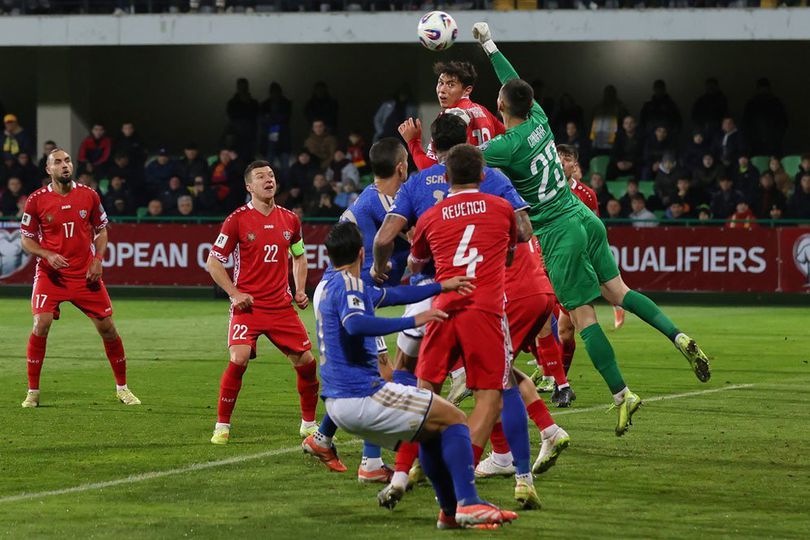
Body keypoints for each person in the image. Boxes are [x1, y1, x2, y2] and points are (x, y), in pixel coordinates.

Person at [473, 22, 711, 435]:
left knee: (583, 318)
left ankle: (623, 395)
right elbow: (513, 83)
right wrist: (489, 45)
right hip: (584, 217)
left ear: (501, 106)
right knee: (620, 291)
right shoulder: (541, 120)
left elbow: (463, 160)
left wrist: (433, 148)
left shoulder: (503, 147)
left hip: (558, 231)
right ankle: (680, 338)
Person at [373, 115, 547, 508]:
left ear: (442, 165)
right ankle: (510, 475)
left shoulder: (424, 198)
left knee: (422, 388)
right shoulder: (499, 196)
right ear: (482, 169)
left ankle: (400, 472)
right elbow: (519, 237)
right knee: (499, 389)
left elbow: (410, 257)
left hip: (437, 303)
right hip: (484, 306)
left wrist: (380, 270)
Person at [309, 221, 517, 530]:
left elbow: (392, 296)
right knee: (456, 419)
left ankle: (449, 513)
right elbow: (355, 324)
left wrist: (439, 286)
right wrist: (416, 319)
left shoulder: (333, 285)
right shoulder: (349, 285)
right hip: (362, 395)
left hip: (340, 403)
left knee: (430, 432)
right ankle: (469, 502)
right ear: (363, 253)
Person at [308, 138, 416, 483]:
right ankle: (371, 464)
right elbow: (419, 238)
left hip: (345, 290)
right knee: (380, 376)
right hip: (346, 292)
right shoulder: (384, 202)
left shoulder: (376, 197)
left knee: (361, 374)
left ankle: (322, 438)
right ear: (402, 166)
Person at [206, 160, 319, 444]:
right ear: (249, 187)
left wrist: (300, 289)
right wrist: (234, 293)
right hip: (248, 307)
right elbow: (213, 262)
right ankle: (222, 425)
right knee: (239, 357)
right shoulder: (237, 220)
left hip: (281, 306)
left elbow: (299, 255)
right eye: (260, 176)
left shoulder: (290, 219)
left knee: (306, 362)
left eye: (271, 175)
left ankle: (308, 423)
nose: (268, 180)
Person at [18, 148, 140, 408]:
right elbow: (26, 240)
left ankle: (123, 388)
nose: (65, 166)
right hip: (51, 275)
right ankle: (33, 392)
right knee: (41, 323)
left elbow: (102, 230)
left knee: (107, 328)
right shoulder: (36, 200)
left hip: (85, 274)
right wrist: (47, 254)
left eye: (67, 161)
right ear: (48, 169)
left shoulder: (89, 195)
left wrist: (98, 260)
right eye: (58, 162)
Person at [405, 60, 505, 170]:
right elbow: (507, 135)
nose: (442, 90)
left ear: (467, 90)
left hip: (464, 181)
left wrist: (413, 142)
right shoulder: (483, 110)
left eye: (450, 85)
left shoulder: (450, 117)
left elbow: (430, 168)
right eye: (440, 83)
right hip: (489, 180)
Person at [743, 78, 788, 157]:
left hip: (772, 141)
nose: (763, 91)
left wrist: (778, 135)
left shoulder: (775, 103)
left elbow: (783, 122)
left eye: (765, 88)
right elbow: (746, 123)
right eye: (762, 88)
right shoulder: (752, 104)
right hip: (757, 141)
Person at [259, 82, 292, 172]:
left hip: (283, 139)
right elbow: (263, 120)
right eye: (273, 92)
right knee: (269, 167)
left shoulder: (286, 104)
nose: (275, 94)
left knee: (285, 167)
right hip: (270, 140)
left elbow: (284, 118)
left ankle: (284, 185)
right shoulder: (265, 105)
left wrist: (270, 118)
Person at [225, 78, 259, 161]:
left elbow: (256, 116)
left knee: (249, 160)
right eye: (241, 87)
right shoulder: (232, 103)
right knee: (236, 160)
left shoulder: (253, 103)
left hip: (250, 135)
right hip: (237, 136)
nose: (243, 89)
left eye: (244, 87)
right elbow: (231, 117)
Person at [588, 85, 627, 154]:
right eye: (607, 93)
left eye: (611, 93)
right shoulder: (598, 107)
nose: (609, 95)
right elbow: (593, 122)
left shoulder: (620, 106)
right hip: (599, 136)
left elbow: (625, 122)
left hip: (615, 136)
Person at [691, 77, 728, 141]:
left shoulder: (722, 100)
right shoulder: (701, 101)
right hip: (704, 132)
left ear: (716, 86)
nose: (711, 88)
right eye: (709, 86)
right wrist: (697, 132)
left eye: (713, 86)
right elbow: (695, 118)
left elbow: (726, 116)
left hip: (719, 132)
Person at [608, 115, 642, 179]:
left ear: (635, 124)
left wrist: (632, 163)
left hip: (634, 164)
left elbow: (642, 155)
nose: (629, 125)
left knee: (641, 168)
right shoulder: (618, 137)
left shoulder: (641, 137)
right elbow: (613, 153)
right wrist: (618, 162)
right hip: (621, 164)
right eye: (626, 123)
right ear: (623, 125)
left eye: (631, 123)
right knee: (610, 167)